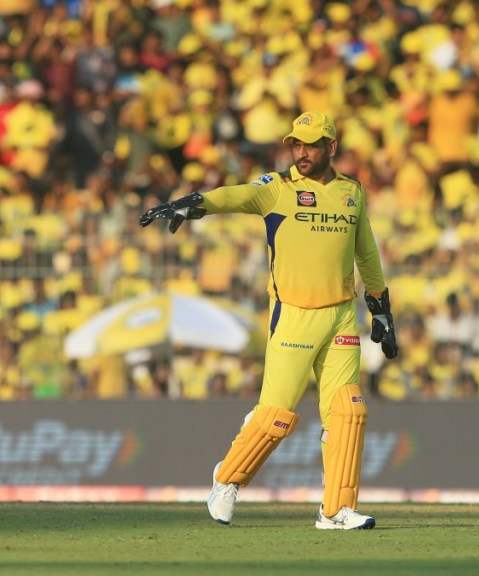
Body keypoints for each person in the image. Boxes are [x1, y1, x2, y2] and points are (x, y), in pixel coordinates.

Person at [140, 111, 398, 530]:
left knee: (348, 411)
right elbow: (234, 195)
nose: (301, 153)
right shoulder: (277, 189)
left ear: (331, 147)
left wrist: (381, 307)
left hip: (340, 317)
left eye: (311, 145)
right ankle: (226, 481)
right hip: (294, 316)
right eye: (296, 144)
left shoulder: (352, 192)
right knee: (275, 417)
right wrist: (194, 203)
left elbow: (365, 252)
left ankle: (335, 510)